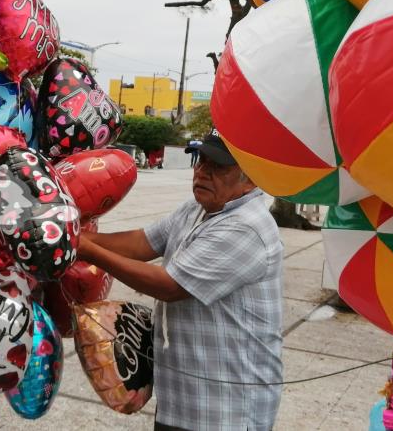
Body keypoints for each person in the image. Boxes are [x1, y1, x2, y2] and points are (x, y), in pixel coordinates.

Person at [78, 128, 283, 431]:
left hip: (227, 409)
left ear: (250, 179)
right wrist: (75, 237)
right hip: (183, 400)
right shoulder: (198, 208)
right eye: (201, 161)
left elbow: (169, 285)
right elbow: (142, 243)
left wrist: (85, 250)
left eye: (218, 167)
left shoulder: (246, 226)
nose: (203, 172)